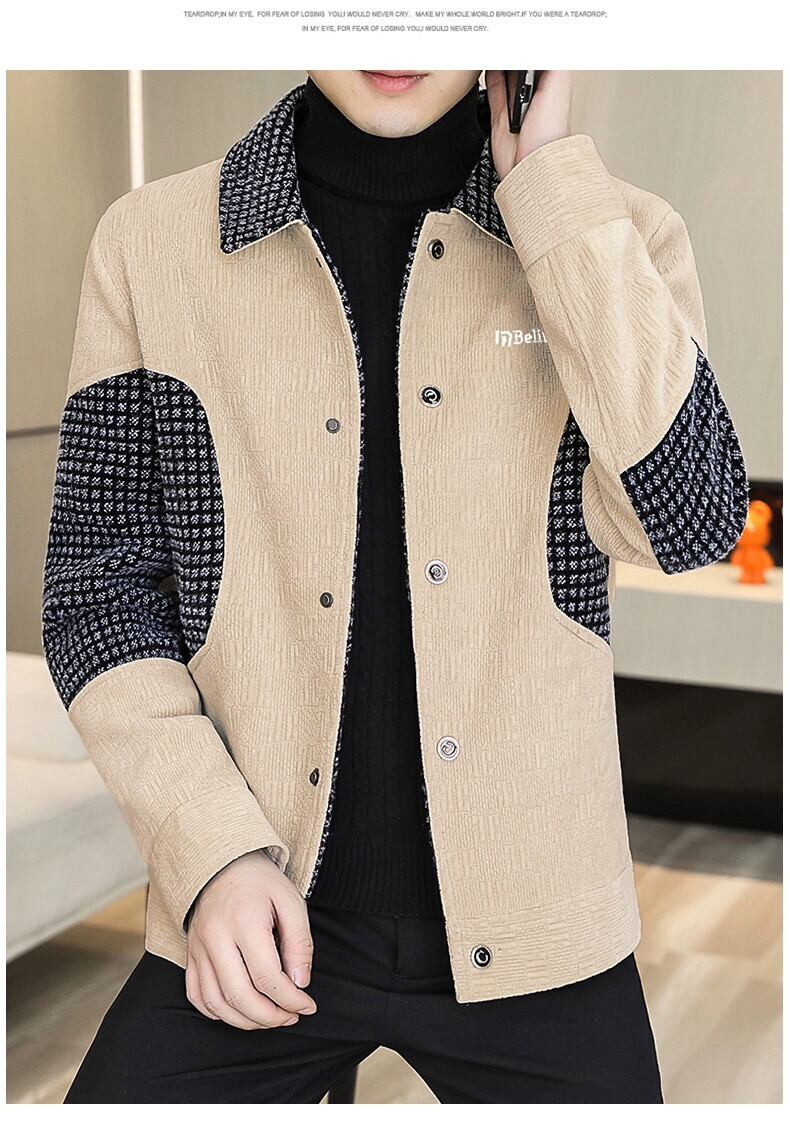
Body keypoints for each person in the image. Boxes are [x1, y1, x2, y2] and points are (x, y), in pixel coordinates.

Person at [41, 70, 748, 1103]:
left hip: (542, 922)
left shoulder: (614, 233)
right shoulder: (150, 244)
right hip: (255, 907)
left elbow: (689, 523)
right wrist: (211, 854)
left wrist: (550, 190)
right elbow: (98, 596)